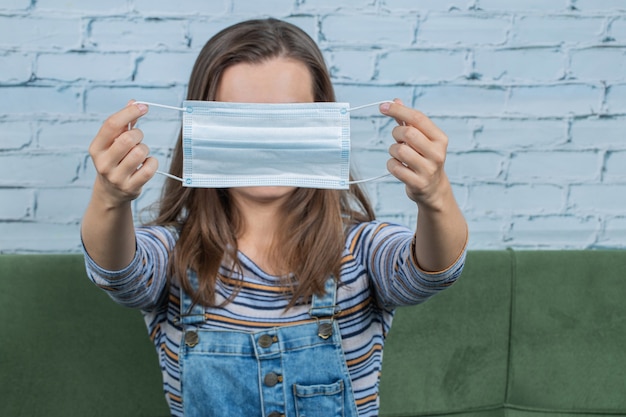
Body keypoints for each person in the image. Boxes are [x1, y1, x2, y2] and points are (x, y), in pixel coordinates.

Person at [81, 18, 468, 417]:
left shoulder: (361, 250)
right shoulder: (171, 254)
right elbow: (118, 273)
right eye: (239, 117)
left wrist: (435, 196)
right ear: (202, 126)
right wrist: (110, 198)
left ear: (322, 122)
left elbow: (432, 272)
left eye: (288, 117)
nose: (265, 139)